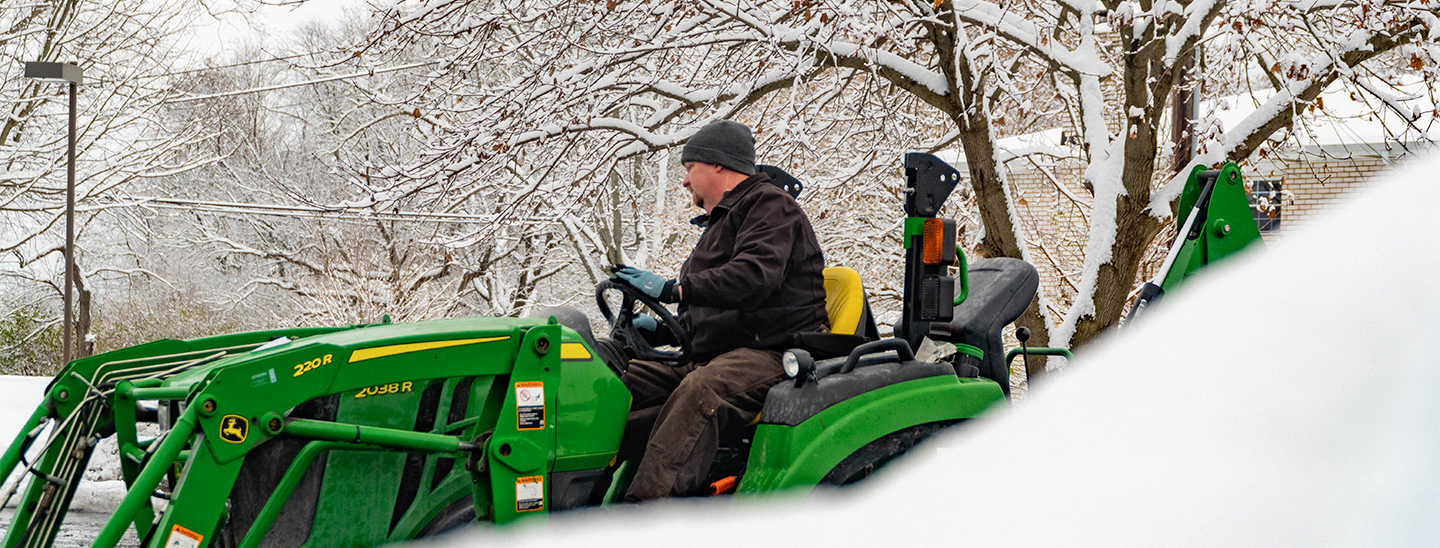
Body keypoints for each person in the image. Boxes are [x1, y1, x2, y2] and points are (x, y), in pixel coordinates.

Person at [608, 120, 828, 501]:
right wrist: (660, 330)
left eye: (689, 169)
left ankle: (641, 517)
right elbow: (712, 310)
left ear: (718, 165)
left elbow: (755, 277)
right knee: (617, 378)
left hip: (774, 350)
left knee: (701, 390)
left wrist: (675, 289)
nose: (685, 182)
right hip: (719, 351)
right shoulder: (721, 224)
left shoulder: (770, 206)